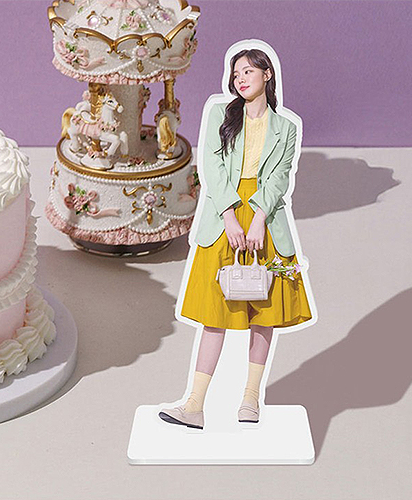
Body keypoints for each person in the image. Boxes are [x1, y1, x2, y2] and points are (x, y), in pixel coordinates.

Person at [159, 47, 312, 430]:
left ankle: (250, 399)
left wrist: (258, 218)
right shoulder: (220, 114)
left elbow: (279, 179)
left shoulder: (286, 128)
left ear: (267, 75)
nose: (240, 79)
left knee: (264, 312)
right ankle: (194, 404)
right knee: (215, 313)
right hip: (222, 216)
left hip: (266, 218)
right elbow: (211, 165)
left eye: (247, 71)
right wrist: (229, 215)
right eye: (236, 73)